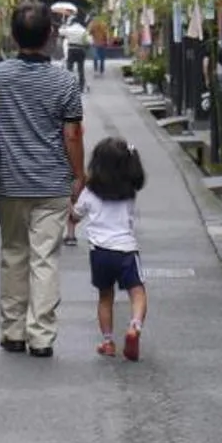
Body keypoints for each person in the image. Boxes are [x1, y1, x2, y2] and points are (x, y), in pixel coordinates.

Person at [0, 1, 85, 356]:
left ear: (13, 36)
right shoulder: (65, 80)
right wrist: (79, 175)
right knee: (45, 258)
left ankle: (12, 331)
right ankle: (41, 336)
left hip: (9, 180)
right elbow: (72, 134)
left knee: (13, 253)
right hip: (52, 182)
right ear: (50, 35)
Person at [69, 137, 148, 359]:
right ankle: (134, 326)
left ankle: (108, 341)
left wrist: (70, 204)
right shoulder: (129, 191)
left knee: (105, 297)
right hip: (126, 250)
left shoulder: (90, 192)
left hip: (100, 252)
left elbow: (75, 217)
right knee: (138, 292)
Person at [61, 14, 92, 86]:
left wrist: (63, 25)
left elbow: (61, 32)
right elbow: (89, 41)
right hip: (81, 50)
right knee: (80, 69)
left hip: (71, 50)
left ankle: (70, 84)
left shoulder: (69, 29)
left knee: (69, 68)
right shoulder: (83, 30)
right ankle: (81, 85)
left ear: (73, 22)